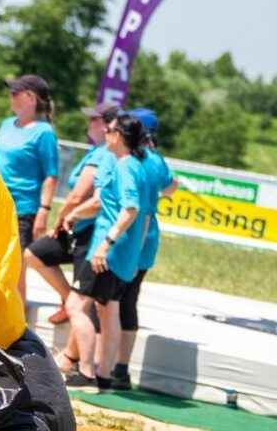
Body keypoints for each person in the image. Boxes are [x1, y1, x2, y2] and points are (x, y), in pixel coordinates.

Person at [59, 113, 150, 391]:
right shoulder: (138, 165)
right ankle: (105, 375)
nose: (105, 132)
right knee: (108, 309)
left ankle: (85, 371)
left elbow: (131, 209)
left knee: (75, 306)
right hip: (124, 253)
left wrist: (105, 244)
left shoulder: (124, 167)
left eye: (109, 129)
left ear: (119, 135)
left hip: (107, 250)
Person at [25, 102, 119, 325]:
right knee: (34, 254)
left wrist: (59, 221)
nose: (89, 123)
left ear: (108, 126)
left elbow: (78, 195)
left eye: (94, 119)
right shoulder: (96, 151)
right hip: (78, 226)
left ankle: (75, 351)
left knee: (88, 303)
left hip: (87, 230)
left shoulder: (104, 154)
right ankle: (69, 301)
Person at [108, 108, 178, 389]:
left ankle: (99, 364)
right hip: (148, 239)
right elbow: (172, 186)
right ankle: (121, 368)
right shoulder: (156, 161)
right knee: (129, 301)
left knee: (108, 300)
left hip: (126, 236)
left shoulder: (128, 160)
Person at [0, 74, 59, 301]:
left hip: (23, 210)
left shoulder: (43, 132)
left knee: (15, 271)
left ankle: (19, 325)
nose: (10, 96)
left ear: (30, 98)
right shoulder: (6, 125)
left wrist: (44, 210)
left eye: (15, 92)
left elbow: (51, 176)